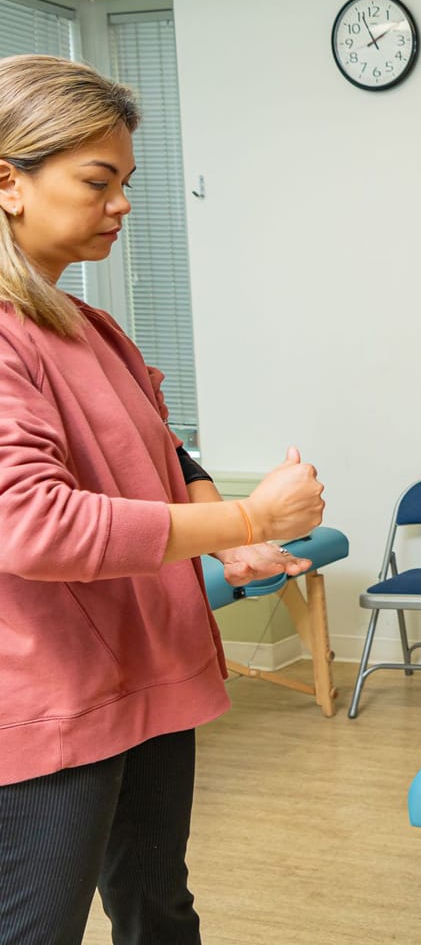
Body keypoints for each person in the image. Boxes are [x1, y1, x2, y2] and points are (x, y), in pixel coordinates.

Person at [0, 55, 326, 945]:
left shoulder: (85, 321)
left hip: (145, 674)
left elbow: (162, 449)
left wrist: (227, 543)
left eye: (126, 182)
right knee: (39, 929)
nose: (123, 205)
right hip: (53, 693)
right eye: (98, 182)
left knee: (157, 904)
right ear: (9, 183)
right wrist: (253, 517)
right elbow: (32, 524)